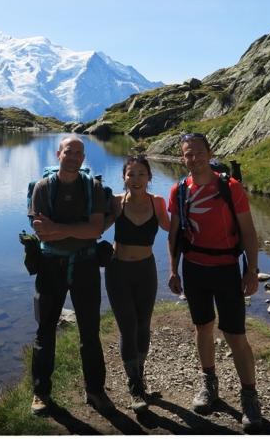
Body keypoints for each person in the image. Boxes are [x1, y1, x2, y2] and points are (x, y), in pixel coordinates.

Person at [166, 133, 263, 432]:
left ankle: (249, 396)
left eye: (198, 153)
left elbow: (248, 232)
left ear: (209, 153)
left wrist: (252, 271)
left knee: (235, 334)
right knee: (202, 328)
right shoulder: (179, 191)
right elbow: (174, 235)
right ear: (182, 158)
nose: (193, 159)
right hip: (195, 269)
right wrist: (173, 269)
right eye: (187, 154)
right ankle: (209, 383)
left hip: (226, 269)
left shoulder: (229, 187)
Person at [28, 136, 113, 416]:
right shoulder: (42, 188)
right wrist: (79, 229)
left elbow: (96, 230)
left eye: (79, 152)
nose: (74, 156)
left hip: (85, 266)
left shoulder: (93, 187)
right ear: (58, 154)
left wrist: (59, 229)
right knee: (45, 331)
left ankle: (95, 391)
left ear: (83, 156)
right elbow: (42, 232)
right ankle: (41, 393)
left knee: (90, 332)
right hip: (50, 267)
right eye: (69, 152)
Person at [102, 154, 170, 413]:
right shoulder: (117, 202)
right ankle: (135, 387)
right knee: (127, 326)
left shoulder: (158, 203)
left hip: (146, 270)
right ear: (124, 178)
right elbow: (98, 228)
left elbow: (172, 228)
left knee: (144, 325)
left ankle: (139, 377)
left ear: (150, 177)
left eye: (141, 173)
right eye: (131, 174)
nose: (136, 179)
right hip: (118, 270)